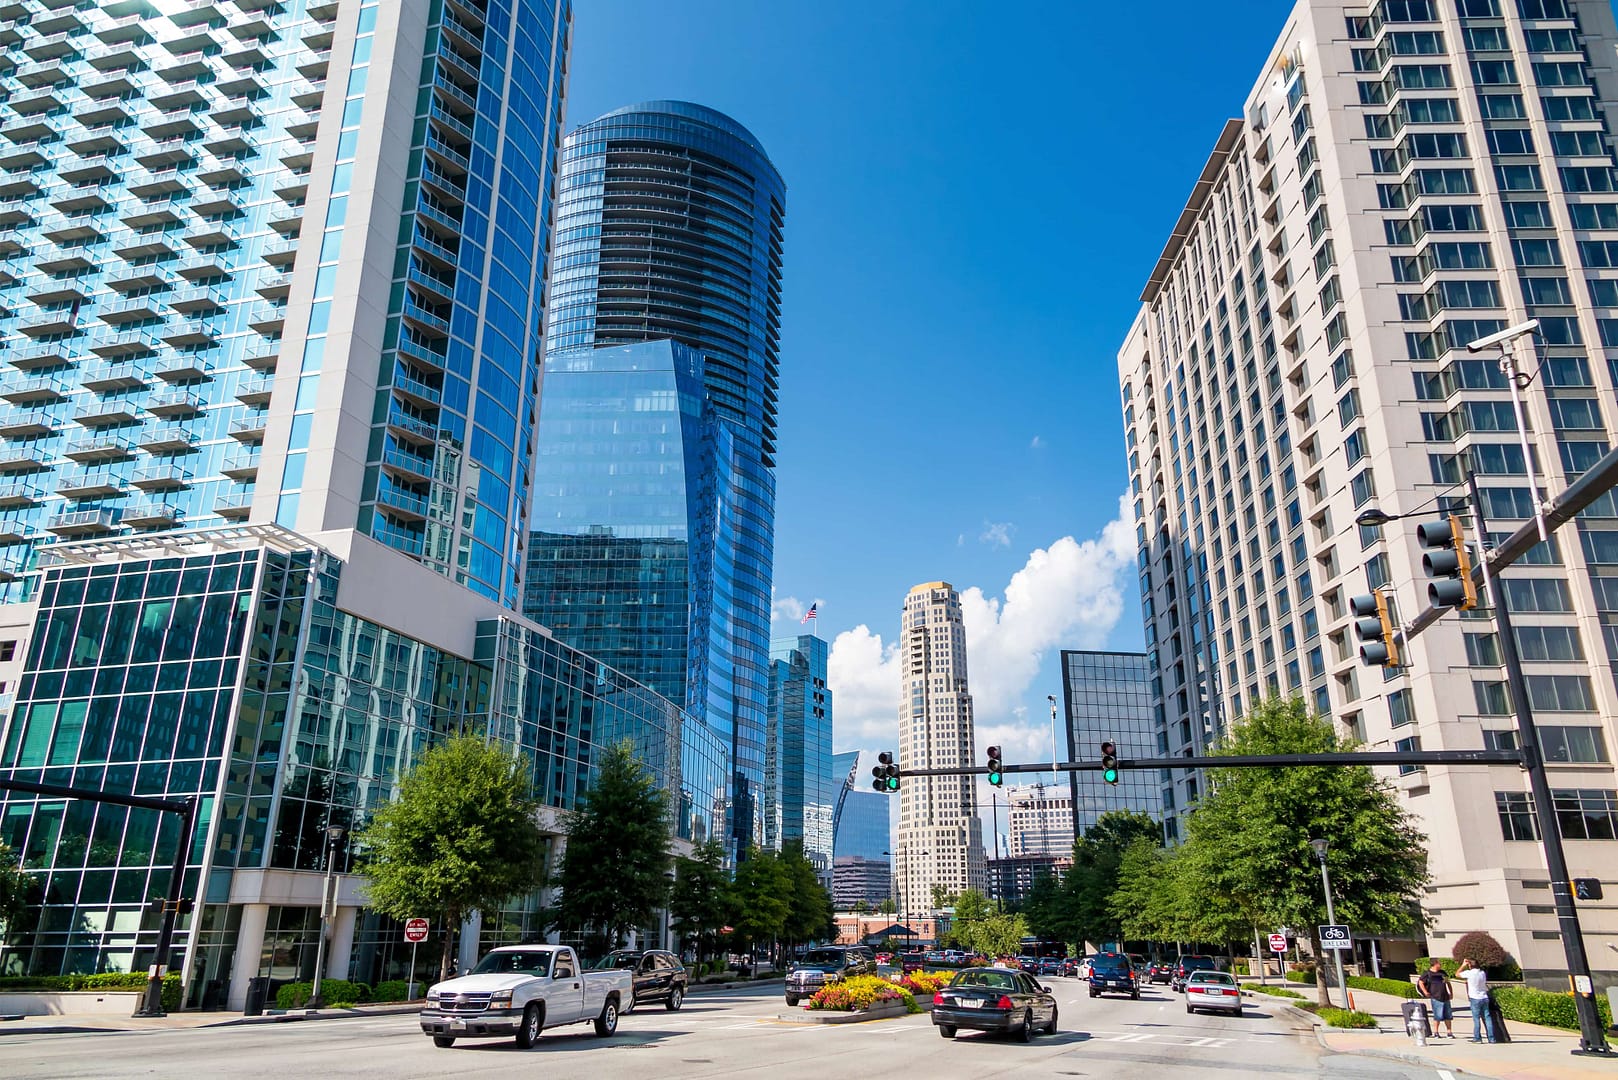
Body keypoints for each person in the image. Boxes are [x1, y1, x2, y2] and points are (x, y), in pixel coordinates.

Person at [1458, 958, 1495, 1042]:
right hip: (1484, 997)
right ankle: (1491, 1038)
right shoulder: (1482, 973)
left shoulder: (1470, 973)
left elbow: (1457, 974)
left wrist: (1463, 965)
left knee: (1476, 1018)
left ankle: (1477, 1038)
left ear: (1470, 965)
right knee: (1487, 1017)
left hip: (1475, 998)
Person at [1417, 959, 1455, 1038]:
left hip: (1445, 996)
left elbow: (1448, 982)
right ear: (1435, 964)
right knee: (1437, 1016)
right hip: (1435, 997)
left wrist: (1451, 993)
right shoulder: (1427, 973)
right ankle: (1436, 1032)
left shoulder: (1442, 973)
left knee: (1448, 1015)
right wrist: (1425, 992)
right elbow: (1421, 982)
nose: (1440, 965)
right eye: (1439, 963)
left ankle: (1449, 1032)